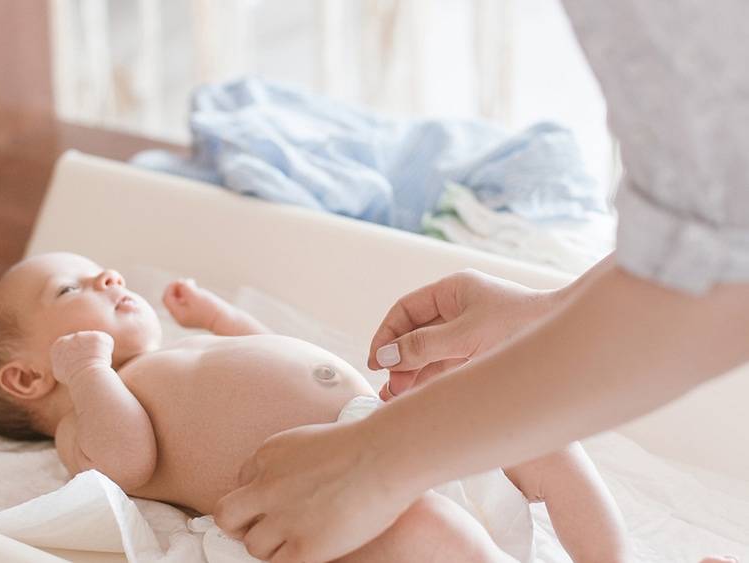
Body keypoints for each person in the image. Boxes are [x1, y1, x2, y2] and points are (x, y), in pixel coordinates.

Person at [212, 1, 749, 561]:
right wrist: (549, 311)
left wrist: (375, 461)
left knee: (526, 467)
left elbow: (716, 267)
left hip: (379, 462)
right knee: (501, 472)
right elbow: (712, 238)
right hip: (379, 460)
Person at [0, 252, 631, 562]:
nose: (110, 276)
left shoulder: (176, 354)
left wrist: (220, 318)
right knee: (431, 532)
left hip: (397, 439)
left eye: (104, 269)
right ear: (26, 378)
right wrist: (89, 372)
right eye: (69, 286)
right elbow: (128, 460)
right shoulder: (84, 417)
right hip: (327, 503)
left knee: (541, 432)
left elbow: (266, 352)